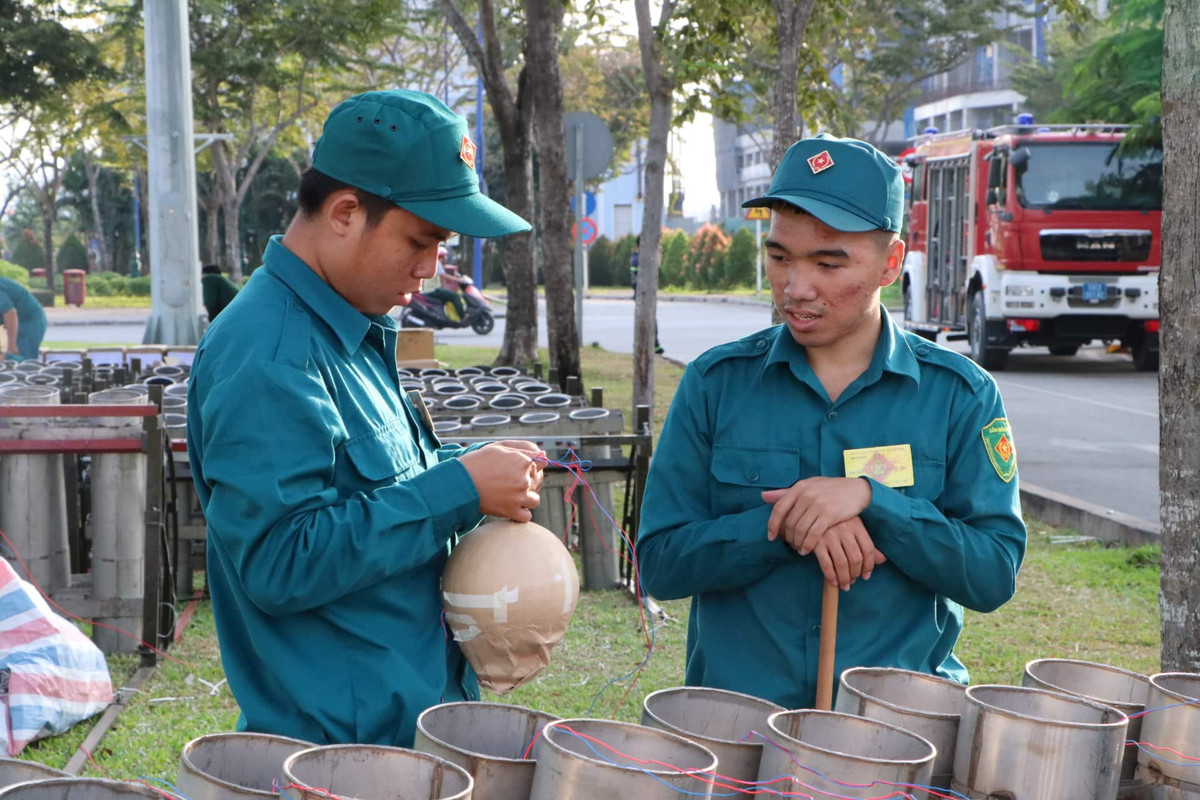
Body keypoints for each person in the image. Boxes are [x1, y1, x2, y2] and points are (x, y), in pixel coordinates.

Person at [187, 90, 544, 748]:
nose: (432, 268)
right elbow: (280, 562)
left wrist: (469, 472)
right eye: (420, 239)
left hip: (408, 727)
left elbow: (368, 494)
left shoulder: (350, 329)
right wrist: (458, 490)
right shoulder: (270, 356)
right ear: (347, 212)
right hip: (340, 755)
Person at [636, 134, 1026, 710]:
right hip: (739, 728)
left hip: (897, 730)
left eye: (828, 262)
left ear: (890, 262)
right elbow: (661, 564)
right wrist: (787, 521)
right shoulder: (717, 385)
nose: (796, 288)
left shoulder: (959, 395)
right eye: (779, 257)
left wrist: (875, 502)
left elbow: (993, 574)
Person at [0, 276, 47, 362]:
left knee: (21, 360)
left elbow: (10, 313)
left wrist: (12, 345)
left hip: (29, 320)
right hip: (14, 319)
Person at [425, 246, 467, 321]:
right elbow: (444, 276)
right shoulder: (437, 263)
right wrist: (458, 280)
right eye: (445, 256)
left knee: (450, 295)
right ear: (442, 256)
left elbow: (442, 278)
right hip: (433, 290)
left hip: (434, 289)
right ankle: (462, 316)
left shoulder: (437, 263)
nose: (446, 257)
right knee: (455, 296)